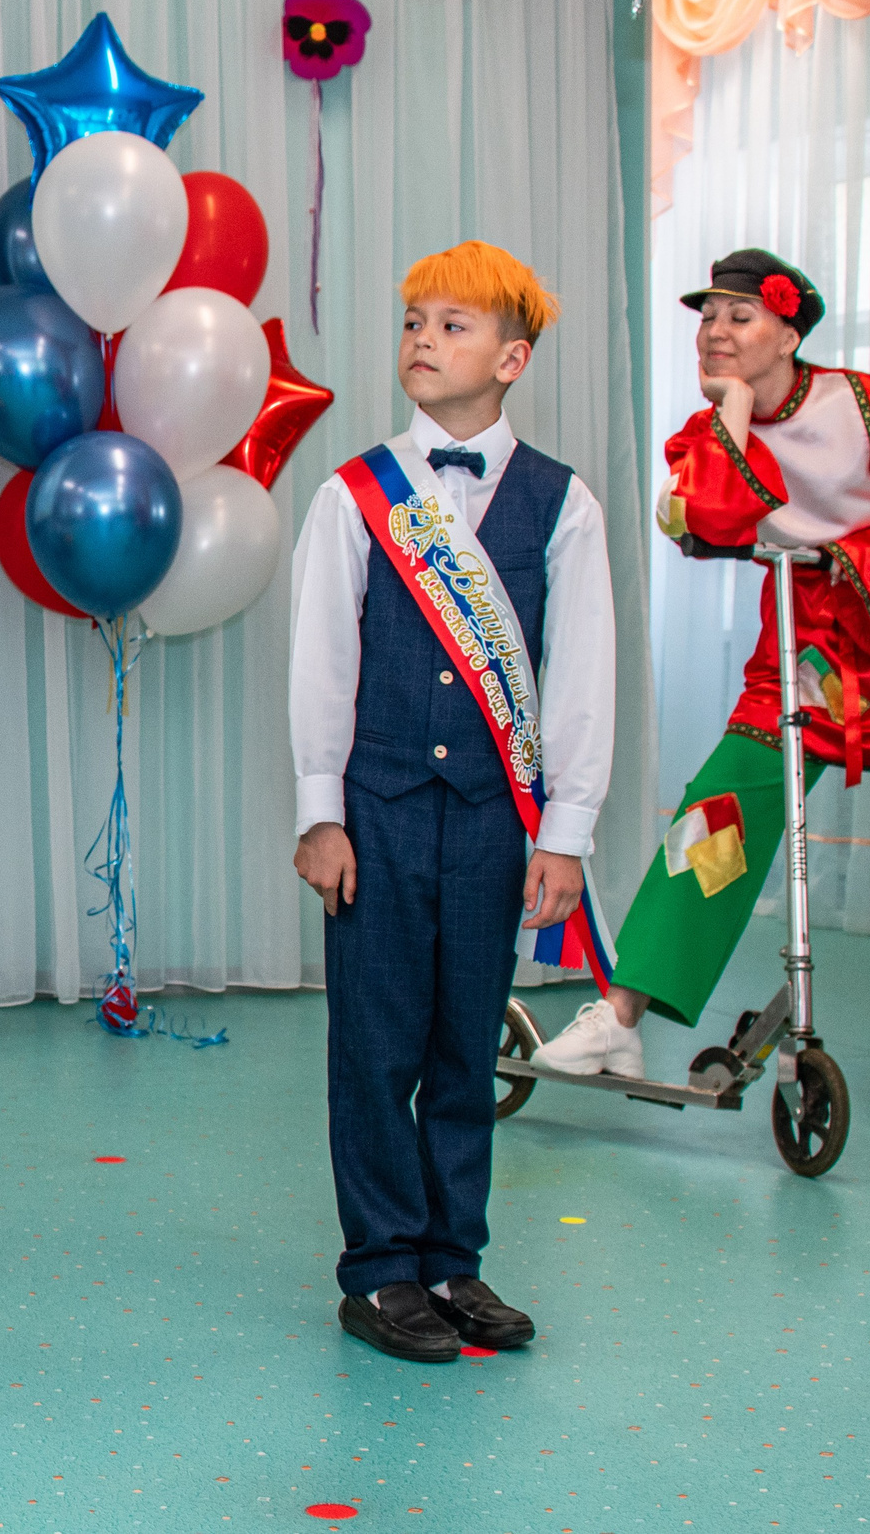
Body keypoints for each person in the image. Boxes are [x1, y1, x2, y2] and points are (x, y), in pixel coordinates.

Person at [532, 250, 870, 1135]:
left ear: (791, 333)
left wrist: (857, 561)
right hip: (807, 652)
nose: (715, 330)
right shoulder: (705, 433)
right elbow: (704, 523)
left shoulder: (865, 404)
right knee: (715, 823)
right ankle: (620, 1017)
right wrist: (735, 412)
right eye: (708, 317)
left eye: (740, 317)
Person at [290, 243, 616, 1363]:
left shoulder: (561, 504)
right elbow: (322, 661)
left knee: (464, 1049)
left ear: (513, 358)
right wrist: (318, 810)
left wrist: (564, 833)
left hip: (493, 820)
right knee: (375, 1047)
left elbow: (581, 680)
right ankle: (379, 1267)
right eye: (414, 321)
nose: (424, 340)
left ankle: (451, 1260)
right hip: (375, 810)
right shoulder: (353, 495)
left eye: (454, 325)